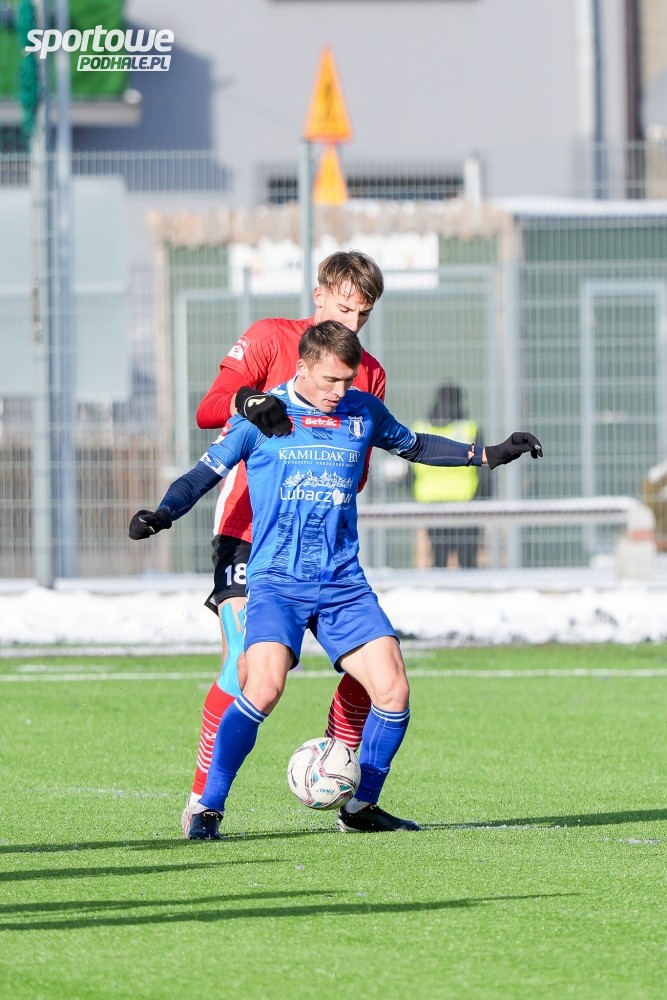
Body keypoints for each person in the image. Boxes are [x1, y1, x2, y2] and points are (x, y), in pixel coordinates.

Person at [129, 321, 543, 839]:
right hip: (277, 580)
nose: (339, 391)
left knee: (392, 689)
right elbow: (203, 475)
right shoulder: (264, 417)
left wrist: (487, 454)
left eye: (347, 380)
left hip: (342, 582)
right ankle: (208, 807)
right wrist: (163, 512)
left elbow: (415, 446)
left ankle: (361, 806)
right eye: (330, 380)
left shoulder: (362, 411)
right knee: (263, 686)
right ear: (302, 366)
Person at [183, 250, 386, 837]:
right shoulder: (270, 336)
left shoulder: (368, 372)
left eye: (364, 314)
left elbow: (358, 465)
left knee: (374, 667)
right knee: (247, 668)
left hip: (322, 550)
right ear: (319, 295)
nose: (352, 323)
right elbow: (208, 409)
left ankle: (342, 774)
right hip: (248, 533)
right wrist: (247, 400)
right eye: (344, 308)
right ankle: (203, 802)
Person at [412, 383, 491, 568]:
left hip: (431, 503)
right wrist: (485, 500)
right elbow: (484, 469)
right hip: (466, 503)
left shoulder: (420, 428)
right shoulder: (469, 429)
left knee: (438, 559)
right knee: (468, 561)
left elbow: (410, 471)